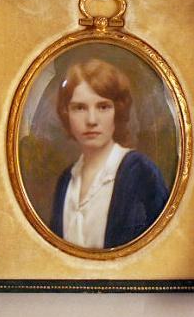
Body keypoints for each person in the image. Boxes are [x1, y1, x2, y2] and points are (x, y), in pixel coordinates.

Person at [51, 58, 169, 249]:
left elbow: (161, 250)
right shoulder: (66, 180)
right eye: (79, 107)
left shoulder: (141, 173)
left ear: (118, 111)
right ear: (67, 114)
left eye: (103, 106)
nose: (91, 120)